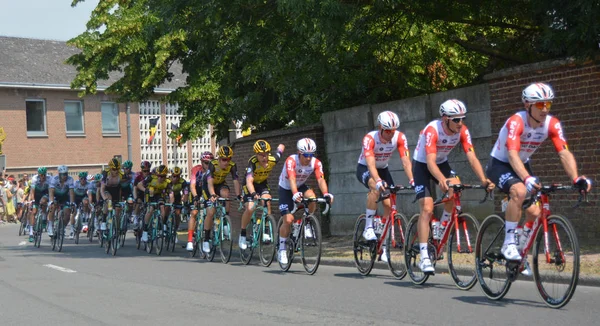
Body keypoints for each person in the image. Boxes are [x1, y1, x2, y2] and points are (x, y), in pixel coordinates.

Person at [486, 83, 592, 274]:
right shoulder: (516, 121)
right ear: (528, 105)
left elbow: (564, 153)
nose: (545, 109)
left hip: (522, 162)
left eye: (548, 105)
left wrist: (576, 178)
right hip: (501, 163)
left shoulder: (552, 124)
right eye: (540, 105)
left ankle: (519, 251)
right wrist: (526, 178)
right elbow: (512, 154)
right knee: (519, 190)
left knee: (535, 213)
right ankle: (508, 243)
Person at [413, 99, 494, 273]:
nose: (460, 123)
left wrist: (483, 179)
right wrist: (442, 179)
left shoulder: (463, 131)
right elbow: (430, 162)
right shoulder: (432, 130)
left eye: (462, 118)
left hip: (441, 163)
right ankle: (424, 256)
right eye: (456, 119)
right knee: (427, 208)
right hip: (423, 164)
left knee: (455, 188)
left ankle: (441, 228)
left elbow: (472, 157)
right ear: (445, 119)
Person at [356, 111, 414, 262]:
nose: (390, 134)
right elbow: (370, 163)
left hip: (383, 169)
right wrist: (378, 180)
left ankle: (383, 247)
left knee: (389, 204)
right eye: (387, 131)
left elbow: (406, 161)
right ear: (380, 127)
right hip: (366, 168)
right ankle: (368, 227)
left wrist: (413, 180)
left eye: (393, 131)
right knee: (375, 188)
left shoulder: (399, 137)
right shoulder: (370, 138)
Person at [277, 138, 334, 265]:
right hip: (286, 188)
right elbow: (291, 178)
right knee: (288, 220)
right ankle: (281, 249)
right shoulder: (291, 160)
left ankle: (307, 222)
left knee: (312, 197)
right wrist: (294, 193)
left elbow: (320, 179)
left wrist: (326, 194)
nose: (308, 158)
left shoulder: (316, 163)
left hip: (301, 185)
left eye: (311, 155)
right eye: (306, 155)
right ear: (299, 153)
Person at [239, 140, 285, 250]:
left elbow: (280, 151)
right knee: (250, 208)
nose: (265, 157)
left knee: (267, 201)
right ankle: (243, 234)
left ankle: (266, 230)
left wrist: (281, 146)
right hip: (250, 185)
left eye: (267, 154)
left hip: (262, 184)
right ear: (256, 154)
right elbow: (249, 181)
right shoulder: (253, 163)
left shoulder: (272, 160)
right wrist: (254, 193)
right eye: (261, 155)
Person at [200, 146, 241, 253]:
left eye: (229, 159)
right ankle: (206, 239)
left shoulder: (232, 165)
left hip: (221, 183)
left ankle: (226, 222)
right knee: (211, 211)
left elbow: (235, 181)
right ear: (219, 158)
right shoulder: (213, 164)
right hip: (208, 185)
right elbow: (209, 183)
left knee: (226, 195)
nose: (226, 162)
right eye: (224, 159)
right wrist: (213, 194)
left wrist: (238, 195)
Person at [186, 152, 213, 251]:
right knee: (194, 212)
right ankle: (189, 240)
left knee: (211, 210)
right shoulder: (196, 170)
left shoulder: (212, 170)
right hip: (195, 191)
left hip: (206, 191)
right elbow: (192, 186)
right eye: (206, 163)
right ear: (201, 162)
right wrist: (196, 197)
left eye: (210, 163)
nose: (208, 165)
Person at [48, 165, 76, 237]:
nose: (65, 176)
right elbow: (51, 191)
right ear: (59, 174)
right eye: (63, 174)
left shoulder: (70, 179)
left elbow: (71, 192)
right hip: (56, 196)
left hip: (65, 197)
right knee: (52, 207)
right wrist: (51, 201)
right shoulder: (54, 179)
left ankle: (62, 227)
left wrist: (72, 203)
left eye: (66, 174)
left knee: (67, 213)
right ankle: (50, 226)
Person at [26, 167, 51, 241]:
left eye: (44, 175)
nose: (42, 177)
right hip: (36, 194)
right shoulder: (35, 178)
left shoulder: (49, 179)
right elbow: (32, 191)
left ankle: (44, 218)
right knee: (33, 212)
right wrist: (32, 200)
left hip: (45, 193)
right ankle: (31, 233)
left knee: (43, 202)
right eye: (41, 175)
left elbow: (51, 191)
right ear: (38, 175)